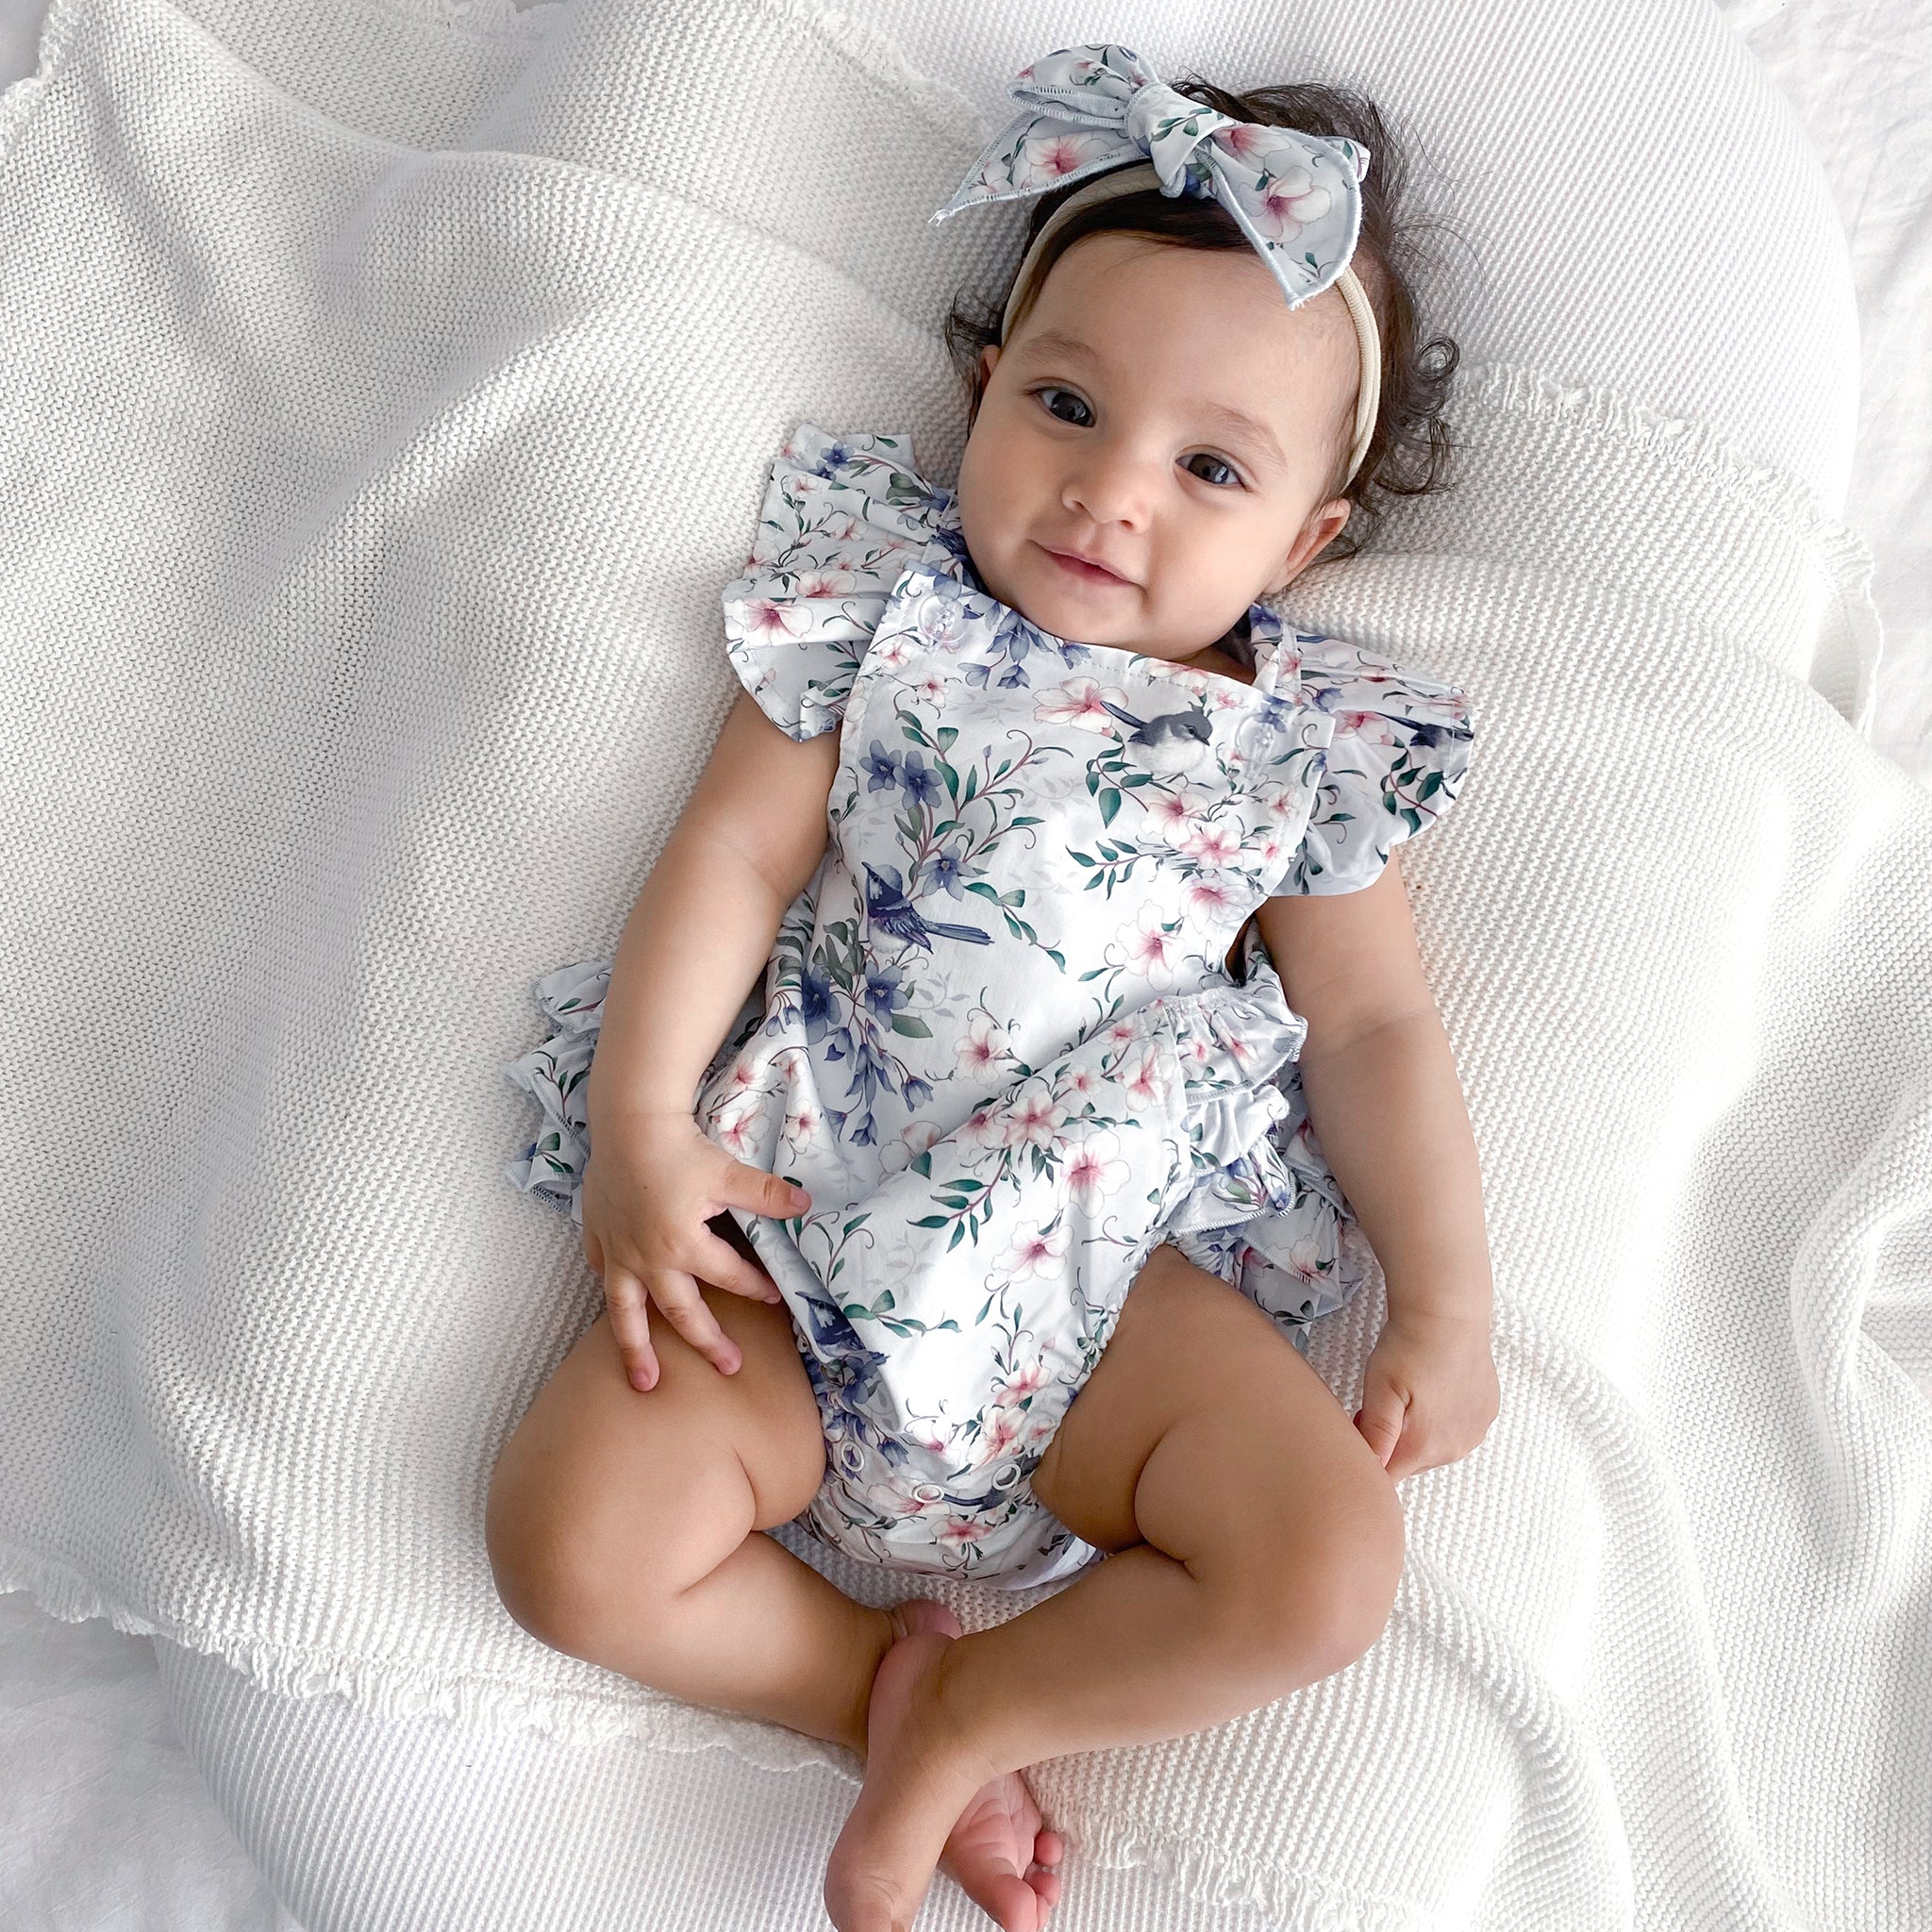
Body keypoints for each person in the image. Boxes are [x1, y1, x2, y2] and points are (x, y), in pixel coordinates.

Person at [488, 42, 1499, 1932]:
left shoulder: (1300, 746)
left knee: (1322, 1574)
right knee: (570, 1543)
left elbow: (1372, 1026)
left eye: (1207, 466)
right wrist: (641, 1119)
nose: (1107, 492)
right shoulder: (885, 613)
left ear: (1305, 545)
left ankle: (972, 1711)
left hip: (1116, 1285)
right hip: (807, 1218)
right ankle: (861, 1693)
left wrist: (1446, 1290)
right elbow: (730, 855)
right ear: (979, 389)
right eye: (1062, 403)